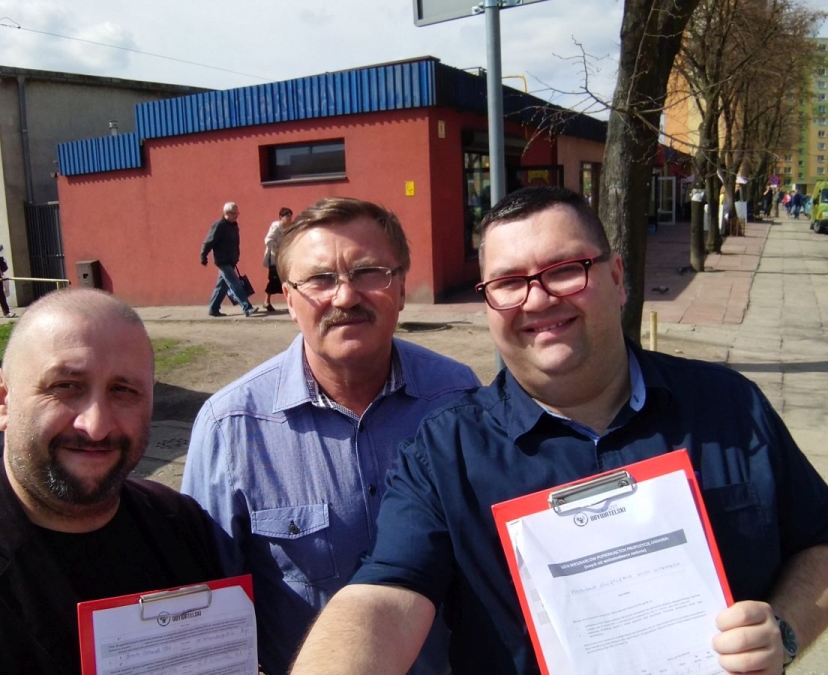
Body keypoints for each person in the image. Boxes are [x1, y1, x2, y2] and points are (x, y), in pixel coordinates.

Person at [292, 186, 828, 675]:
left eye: (565, 269)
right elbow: (386, 595)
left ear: (616, 278)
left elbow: (819, 544)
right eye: (508, 283)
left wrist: (783, 631)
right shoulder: (444, 453)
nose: (538, 299)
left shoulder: (729, 407)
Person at [182, 197, 480, 675]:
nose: (345, 297)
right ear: (289, 299)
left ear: (402, 288)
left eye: (369, 272)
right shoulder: (231, 428)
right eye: (321, 279)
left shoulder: (457, 397)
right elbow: (205, 611)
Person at [0, 288, 230, 674]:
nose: (96, 425)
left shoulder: (180, 523)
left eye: (123, 391)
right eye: (65, 386)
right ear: (2, 399)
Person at [201, 201, 259, 317]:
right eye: (234, 213)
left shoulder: (234, 226)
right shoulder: (219, 225)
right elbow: (208, 242)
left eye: (237, 213)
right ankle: (247, 307)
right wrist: (203, 256)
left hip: (231, 260)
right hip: (222, 260)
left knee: (222, 286)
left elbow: (235, 243)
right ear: (226, 213)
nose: (236, 215)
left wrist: (236, 256)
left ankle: (213, 309)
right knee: (235, 283)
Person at [262, 206, 293, 311]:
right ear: (281, 217)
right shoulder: (276, 226)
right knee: (274, 280)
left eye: (290, 216)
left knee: (288, 279)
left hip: (285, 258)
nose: (289, 218)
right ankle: (266, 301)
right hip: (274, 258)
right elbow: (268, 240)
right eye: (287, 216)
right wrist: (277, 248)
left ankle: (291, 302)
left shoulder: (290, 228)